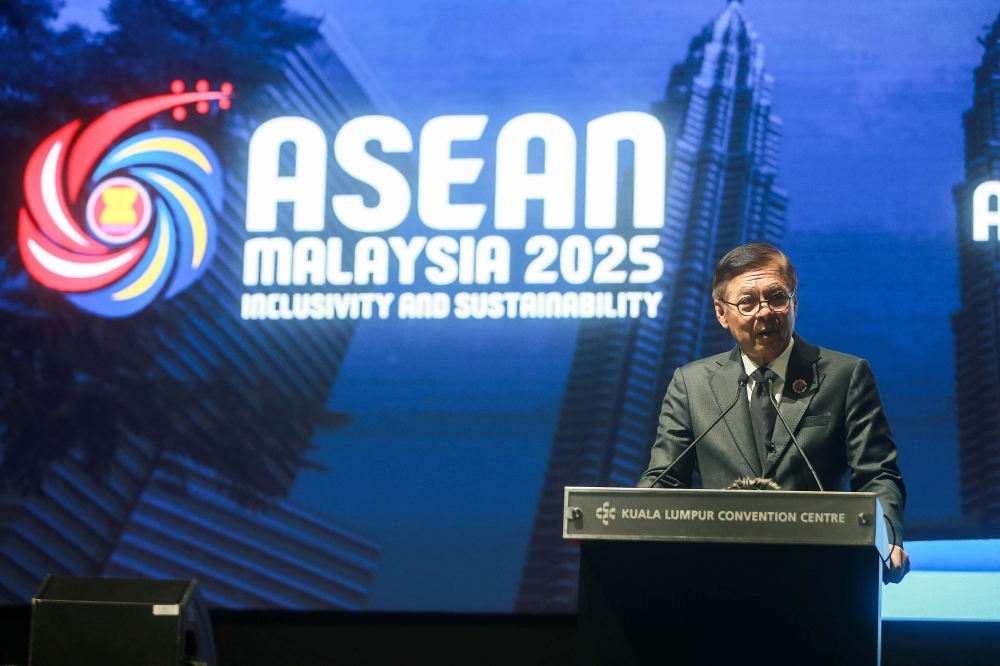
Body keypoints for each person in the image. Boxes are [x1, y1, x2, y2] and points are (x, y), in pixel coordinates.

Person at [637, 243, 910, 583]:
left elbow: (877, 473)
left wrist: (887, 537)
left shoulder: (845, 375)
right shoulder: (691, 384)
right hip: (717, 574)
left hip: (819, 573)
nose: (765, 312)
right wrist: (631, 525)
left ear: (795, 303)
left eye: (777, 297)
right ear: (721, 313)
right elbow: (664, 480)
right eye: (747, 302)